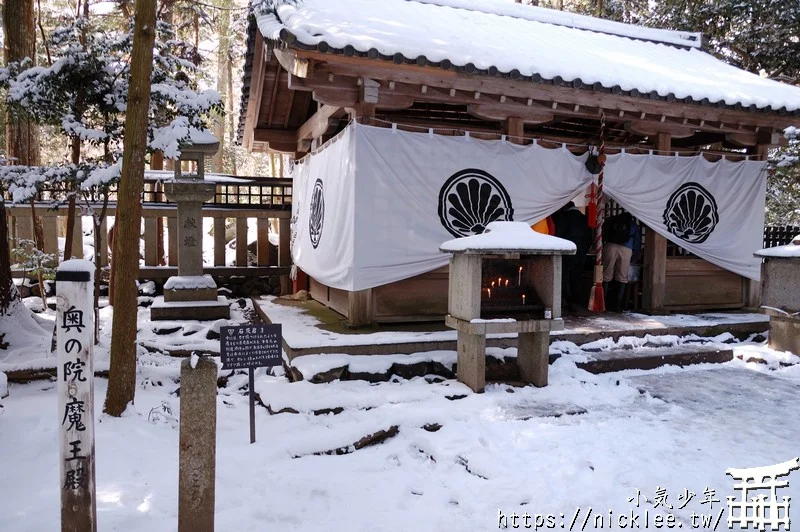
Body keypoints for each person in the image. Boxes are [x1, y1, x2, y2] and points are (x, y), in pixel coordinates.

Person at [552, 202, 591, 308]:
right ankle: (575, 299)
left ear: (565, 207)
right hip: (581, 251)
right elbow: (589, 236)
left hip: (567, 250)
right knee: (576, 275)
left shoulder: (563, 217)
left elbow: (558, 233)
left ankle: (565, 298)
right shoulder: (584, 218)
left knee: (564, 275)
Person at [602, 212, 641, 312]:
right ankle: (618, 306)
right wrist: (634, 257)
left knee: (606, 275)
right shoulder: (633, 225)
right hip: (626, 249)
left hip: (610, 247)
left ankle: (603, 303)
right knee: (622, 277)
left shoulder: (611, 221)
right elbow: (636, 244)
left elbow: (604, 234)